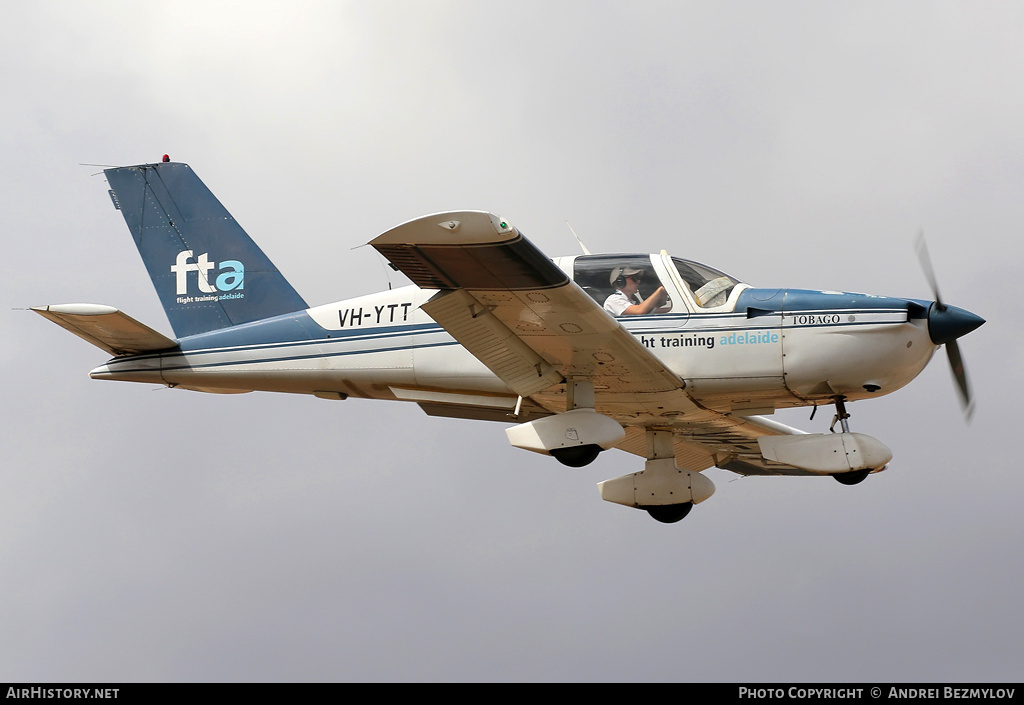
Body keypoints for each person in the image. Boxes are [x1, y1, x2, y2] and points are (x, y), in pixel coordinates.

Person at [603, 267, 668, 316]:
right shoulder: (614, 299)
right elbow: (638, 311)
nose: (638, 281)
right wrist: (660, 290)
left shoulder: (632, 302)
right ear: (620, 281)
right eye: (634, 278)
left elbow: (652, 311)